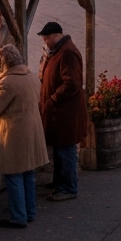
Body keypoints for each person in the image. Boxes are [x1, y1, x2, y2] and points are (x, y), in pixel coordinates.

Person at [0, 45, 49, 228]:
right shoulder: (31, 77)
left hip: (14, 134)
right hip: (32, 131)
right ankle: (30, 212)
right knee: (28, 172)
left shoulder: (8, 83)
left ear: (4, 63)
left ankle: (18, 216)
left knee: (13, 175)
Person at [38, 21, 87, 201]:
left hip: (66, 113)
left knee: (66, 149)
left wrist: (52, 99)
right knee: (60, 149)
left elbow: (71, 83)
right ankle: (59, 182)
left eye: (47, 37)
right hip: (59, 112)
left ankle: (68, 188)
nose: (45, 40)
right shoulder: (57, 51)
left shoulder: (67, 53)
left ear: (57, 35)